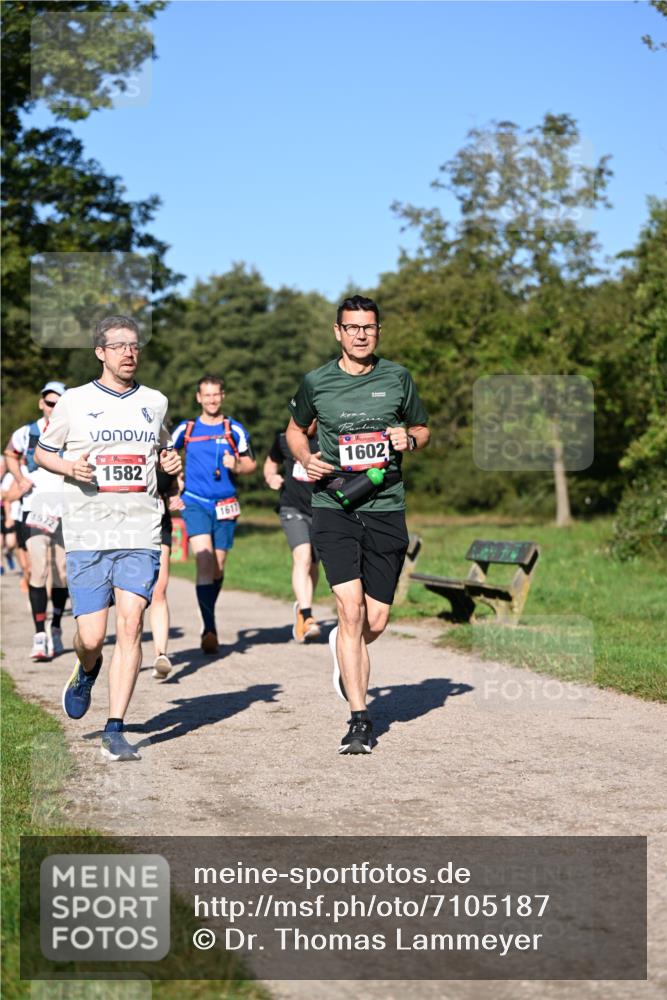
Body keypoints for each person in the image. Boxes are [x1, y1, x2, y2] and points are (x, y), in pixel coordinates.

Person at [286, 294, 429, 755]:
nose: (361, 334)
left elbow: (423, 430)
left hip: (386, 506)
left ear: (378, 332)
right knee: (350, 610)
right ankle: (359, 719)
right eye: (352, 327)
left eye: (368, 327)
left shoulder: (398, 378)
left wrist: (408, 437)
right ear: (338, 332)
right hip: (334, 506)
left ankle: (342, 648)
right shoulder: (316, 382)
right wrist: (306, 458)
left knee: (376, 619)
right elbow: (294, 428)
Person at [35, 315, 182, 761]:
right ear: (100, 352)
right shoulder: (75, 402)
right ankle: (86, 669)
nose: (128, 353)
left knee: (131, 623)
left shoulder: (154, 401)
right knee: (93, 636)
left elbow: (161, 449)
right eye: (118, 346)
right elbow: (44, 451)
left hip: (140, 529)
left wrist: (169, 463)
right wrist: (68, 467)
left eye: (134, 345)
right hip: (88, 530)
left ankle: (114, 728)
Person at [171, 376, 256, 654]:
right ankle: (209, 628)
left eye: (215, 395)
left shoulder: (235, 430)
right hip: (194, 502)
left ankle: (209, 614)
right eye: (206, 395)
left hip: (226, 504)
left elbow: (251, 463)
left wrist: (238, 465)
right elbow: (165, 456)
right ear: (199, 398)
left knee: (218, 566)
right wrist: (176, 478)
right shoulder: (187, 429)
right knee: (205, 561)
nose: (211, 400)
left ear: (223, 396)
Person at [4, 381, 69, 660]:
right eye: (50, 403)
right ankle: (39, 635)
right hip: (35, 508)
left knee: (62, 574)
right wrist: (19, 479)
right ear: (42, 403)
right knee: (39, 570)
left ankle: (55, 626)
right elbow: (10, 453)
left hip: (66, 509)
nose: (54, 408)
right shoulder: (26, 432)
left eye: (60, 403)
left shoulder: (74, 431)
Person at [263, 422, 321, 642]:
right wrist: (271, 477)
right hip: (292, 507)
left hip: (322, 510)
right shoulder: (283, 439)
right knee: (303, 556)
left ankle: (302, 607)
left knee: (314, 566)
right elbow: (270, 464)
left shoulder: (329, 438)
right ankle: (307, 616)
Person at [149, 468, 185, 679]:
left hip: (160, 526)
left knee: (159, 590)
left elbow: (171, 489)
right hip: (125, 530)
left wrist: (175, 497)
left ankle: (160, 655)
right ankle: (128, 652)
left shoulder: (164, 455)